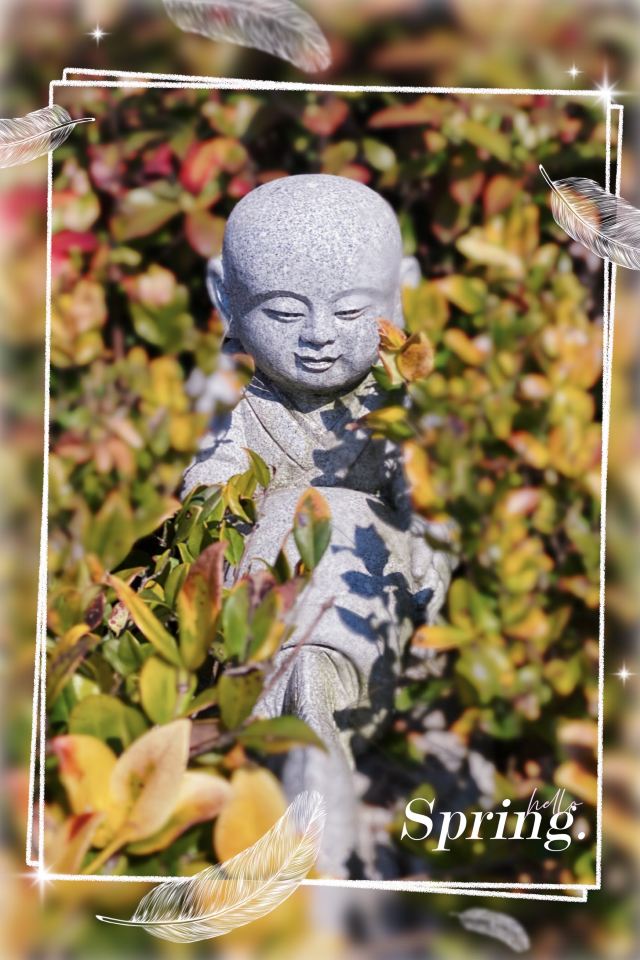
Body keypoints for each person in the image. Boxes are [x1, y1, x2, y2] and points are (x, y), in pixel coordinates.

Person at [183, 174, 454, 876]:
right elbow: (209, 496)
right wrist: (216, 497)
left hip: (370, 622)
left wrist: (428, 538)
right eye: (283, 311)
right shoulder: (243, 414)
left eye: (352, 308)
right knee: (284, 530)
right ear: (225, 299)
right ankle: (302, 772)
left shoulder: (397, 412)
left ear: (401, 293)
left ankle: (309, 781)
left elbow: (434, 515)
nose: (319, 336)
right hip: (267, 616)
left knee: (335, 523)